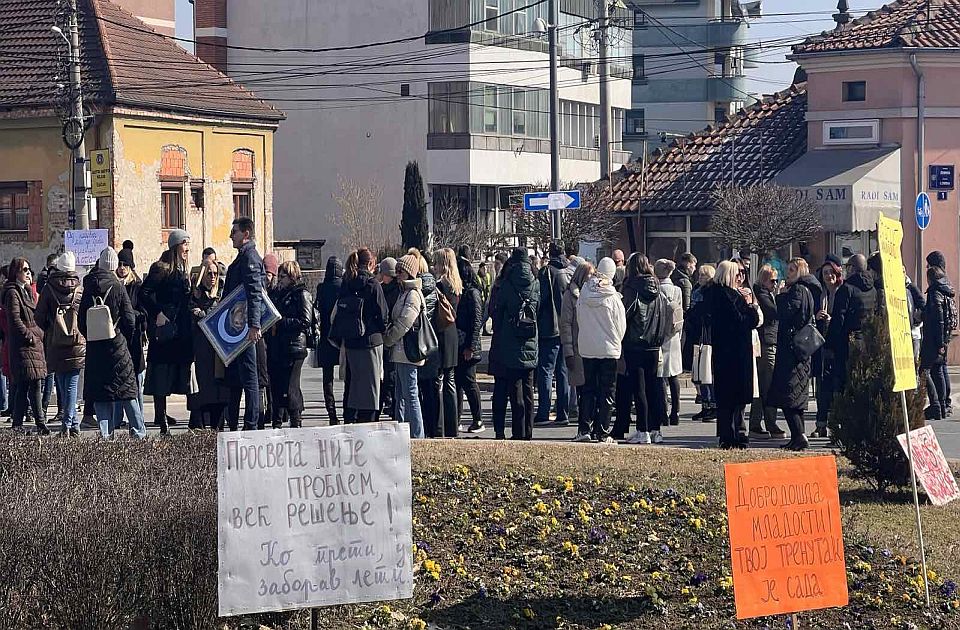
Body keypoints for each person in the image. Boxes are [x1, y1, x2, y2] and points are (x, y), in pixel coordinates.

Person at [78, 248, 145, 438]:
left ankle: (106, 435)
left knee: (100, 393)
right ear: (114, 266)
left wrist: (93, 334)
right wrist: (121, 336)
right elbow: (130, 319)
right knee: (127, 390)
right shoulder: (117, 286)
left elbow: (81, 321)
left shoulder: (88, 287)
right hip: (117, 345)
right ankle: (139, 432)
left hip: (95, 348)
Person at [141, 230, 194, 434]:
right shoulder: (161, 268)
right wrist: (158, 313)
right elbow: (144, 294)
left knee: (185, 375)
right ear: (175, 246)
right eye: (184, 243)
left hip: (181, 331)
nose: (187, 248)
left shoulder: (184, 269)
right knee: (161, 377)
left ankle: (193, 420)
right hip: (165, 331)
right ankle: (161, 420)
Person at [703, 260, 761, 449]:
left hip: (726, 352)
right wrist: (751, 306)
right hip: (734, 352)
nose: (741, 278)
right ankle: (732, 435)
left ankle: (730, 433)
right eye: (738, 274)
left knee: (728, 398)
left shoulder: (715, 293)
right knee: (733, 396)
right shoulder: (727, 296)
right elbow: (744, 320)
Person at [488, 247, 540, 440]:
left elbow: (496, 312)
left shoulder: (506, 284)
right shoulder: (536, 283)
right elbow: (539, 309)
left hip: (509, 341)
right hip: (531, 340)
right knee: (528, 388)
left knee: (514, 387)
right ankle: (528, 430)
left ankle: (517, 431)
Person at [768, 258, 819, 451]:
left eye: (791, 270)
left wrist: (780, 295)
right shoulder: (806, 289)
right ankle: (798, 436)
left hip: (792, 351)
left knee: (788, 396)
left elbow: (786, 312)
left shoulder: (798, 290)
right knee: (794, 397)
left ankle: (799, 436)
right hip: (798, 350)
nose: (787, 273)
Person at [574, 258, 625, 443]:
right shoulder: (612, 297)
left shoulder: (584, 294)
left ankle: (584, 429)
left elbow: (579, 319)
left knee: (588, 389)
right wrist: (615, 340)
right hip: (609, 348)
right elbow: (621, 326)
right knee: (607, 392)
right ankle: (602, 431)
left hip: (587, 347)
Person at [222, 217, 266, 431]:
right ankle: (239, 424)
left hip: (246, 330)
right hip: (239, 327)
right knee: (239, 378)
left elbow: (254, 293)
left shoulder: (250, 257)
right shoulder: (243, 257)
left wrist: (254, 325)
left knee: (250, 379)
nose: (231, 236)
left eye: (235, 232)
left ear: (246, 234)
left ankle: (251, 426)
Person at [617, 254, 665, 444]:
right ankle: (655, 429)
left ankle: (642, 429)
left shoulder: (632, 288)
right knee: (653, 387)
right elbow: (663, 315)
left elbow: (625, 314)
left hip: (635, 343)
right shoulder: (657, 288)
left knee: (639, 388)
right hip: (654, 344)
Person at [35, 252, 85, 436]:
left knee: (63, 383)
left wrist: (50, 328)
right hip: (76, 341)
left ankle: (70, 423)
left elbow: (39, 316)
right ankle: (71, 423)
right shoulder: (80, 289)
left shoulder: (48, 288)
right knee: (71, 384)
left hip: (55, 342)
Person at [337, 247, 388, 424]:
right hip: (371, 340)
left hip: (351, 341)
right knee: (372, 389)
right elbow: (382, 314)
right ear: (372, 263)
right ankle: (369, 423)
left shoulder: (347, 283)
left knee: (353, 387)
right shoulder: (373, 284)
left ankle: (351, 420)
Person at [382, 254, 426, 438]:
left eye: (400, 271)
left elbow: (404, 323)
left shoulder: (413, 295)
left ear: (408, 273)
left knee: (410, 393)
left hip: (408, 351)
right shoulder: (403, 292)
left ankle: (417, 435)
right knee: (400, 394)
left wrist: (389, 339)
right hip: (399, 351)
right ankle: (401, 431)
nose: (397, 274)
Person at [4, 258, 48, 435]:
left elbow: (35, 317)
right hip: (23, 346)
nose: (29, 273)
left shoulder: (28, 291)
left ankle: (23, 423)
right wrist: (31, 336)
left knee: (31, 384)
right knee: (26, 384)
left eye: (30, 270)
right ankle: (37, 422)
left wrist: (39, 333)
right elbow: (14, 319)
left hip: (33, 344)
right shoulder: (13, 293)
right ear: (16, 273)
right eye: (25, 270)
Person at [267, 261, 312, 429]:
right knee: (278, 386)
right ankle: (277, 423)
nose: (280, 279)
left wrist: (282, 322)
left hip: (295, 346)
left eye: (283, 276)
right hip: (280, 346)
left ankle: (296, 422)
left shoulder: (301, 294)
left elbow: (305, 320)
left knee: (291, 386)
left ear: (292, 276)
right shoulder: (280, 293)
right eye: (279, 276)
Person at [825, 253, 877, 394]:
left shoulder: (846, 289)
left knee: (844, 381)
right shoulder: (872, 289)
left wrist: (829, 343)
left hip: (847, 341)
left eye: (848, 266)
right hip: (867, 340)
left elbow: (838, 318)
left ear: (853, 268)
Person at [187, 259, 229, 429]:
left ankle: (218, 425)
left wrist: (206, 314)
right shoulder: (195, 296)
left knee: (220, 391)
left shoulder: (221, 295)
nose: (212, 277)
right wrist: (205, 314)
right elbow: (196, 316)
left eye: (215, 273)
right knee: (203, 391)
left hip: (219, 351)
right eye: (209, 273)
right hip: (202, 349)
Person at [534, 242, 570, 427]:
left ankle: (543, 412)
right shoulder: (570, 271)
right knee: (563, 372)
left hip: (549, 328)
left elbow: (540, 299)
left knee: (546, 371)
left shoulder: (546, 272)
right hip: (566, 327)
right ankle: (564, 411)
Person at [748, 264, 784, 438]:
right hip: (766, 343)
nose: (775, 284)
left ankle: (759, 423)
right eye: (772, 281)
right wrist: (780, 296)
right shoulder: (762, 294)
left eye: (776, 280)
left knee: (763, 386)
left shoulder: (765, 293)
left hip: (768, 341)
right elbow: (774, 312)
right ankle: (765, 423)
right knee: (767, 385)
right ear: (764, 280)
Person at [811, 256, 843, 439]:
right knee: (822, 388)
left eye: (831, 272)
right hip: (821, 345)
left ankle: (835, 426)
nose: (828, 276)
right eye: (825, 273)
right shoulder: (820, 293)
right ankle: (820, 425)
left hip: (836, 346)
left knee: (835, 387)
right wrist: (817, 316)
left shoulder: (841, 291)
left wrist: (832, 319)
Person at [413, 250, 442, 436]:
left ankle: (430, 428)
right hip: (432, 342)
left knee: (425, 389)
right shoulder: (434, 287)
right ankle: (434, 428)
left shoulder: (420, 291)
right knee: (431, 388)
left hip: (423, 342)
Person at [117, 246, 148, 417]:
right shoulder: (114, 285)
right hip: (118, 340)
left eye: (125, 264)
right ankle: (118, 417)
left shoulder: (137, 286)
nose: (122, 268)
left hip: (135, 338)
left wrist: (129, 315)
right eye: (120, 264)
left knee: (136, 379)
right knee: (118, 380)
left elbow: (144, 312)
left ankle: (138, 418)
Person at [434, 248, 462, 437]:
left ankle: (440, 425)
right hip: (452, 333)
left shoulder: (440, 285)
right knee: (451, 380)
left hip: (441, 332)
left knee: (439, 381)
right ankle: (453, 425)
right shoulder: (456, 284)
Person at [921, 264, 954, 420]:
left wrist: (939, 343)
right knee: (938, 371)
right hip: (943, 339)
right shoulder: (946, 292)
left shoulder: (935, 294)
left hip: (933, 340)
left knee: (924, 371)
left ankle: (935, 405)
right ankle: (941, 406)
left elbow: (938, 320)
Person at [560, 261, 591, 424]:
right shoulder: (570, 295)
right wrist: (569, 351)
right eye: (589, 276)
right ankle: (582, 420)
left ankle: (590, 420)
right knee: (581, 387)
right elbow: (565, 324)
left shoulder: (593, 294)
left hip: (592, 346)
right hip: (577, 346)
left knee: (592, 388)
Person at [455, 263, 484, 433]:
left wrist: (470, 346)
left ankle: (478, 419)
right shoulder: (464, 293)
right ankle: (457, 418)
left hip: (468, 345)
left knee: (469, 382)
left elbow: (476, 321)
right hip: (461, 342)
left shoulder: (473, 293)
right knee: (458, 382)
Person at [314, 256, 343, 424]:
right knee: (347, 374)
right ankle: (347, 407)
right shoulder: (343, 287)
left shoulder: (321, 288)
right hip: (340, 336)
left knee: (328, 378)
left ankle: (331, 412)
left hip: (325, 337)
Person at [655, 259, 683, 427]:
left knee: (660, 376)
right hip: (674, 336)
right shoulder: (677, 290)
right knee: (674, 376)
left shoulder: (657, 290)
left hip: (659, 335)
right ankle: (676, 412)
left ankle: (663, 412)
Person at [687, 264, 716, 422]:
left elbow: (704, 313)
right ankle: (705, 405)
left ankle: (712, 405)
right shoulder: (697, 291)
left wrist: (695, 313)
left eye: (703, 275)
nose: (700, 278)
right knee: (699, 373)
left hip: (707, 337)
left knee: (707, 373)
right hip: (697, 335)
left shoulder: (710, 292)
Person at [378, 257, 400, 419]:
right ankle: (389, 399)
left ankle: (391, 400)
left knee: (390, 372)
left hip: (391, 335)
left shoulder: (395, 291)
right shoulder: (383, 288)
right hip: (386, 334)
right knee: (387, 371)